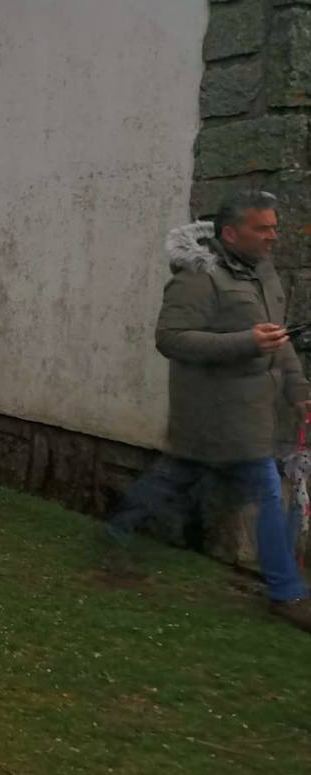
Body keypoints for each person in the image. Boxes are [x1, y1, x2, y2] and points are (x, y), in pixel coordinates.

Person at [105, 190, 311, 632]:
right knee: (269, 491)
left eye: (274, 226)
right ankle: (287, 593)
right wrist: (245, 342)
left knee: (172, 478)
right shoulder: (197, 278)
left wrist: (299, 389)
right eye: (263, 228)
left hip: (250, 410)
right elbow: (171, 338)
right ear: (232, 233)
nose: (273, 236)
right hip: (213, 410)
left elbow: (279, 338)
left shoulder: (264, 273)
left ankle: (116, 530)